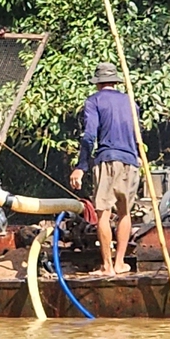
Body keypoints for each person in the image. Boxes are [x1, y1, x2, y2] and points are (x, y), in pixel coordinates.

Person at [69, 62, 141, 275]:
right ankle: (120, 262)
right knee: (124, 212)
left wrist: (81, 166)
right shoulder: (131, 102)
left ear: (98, 83)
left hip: (108, 159)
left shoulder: (94, 101)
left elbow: (90, 136)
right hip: (131, 161)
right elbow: (137, 135)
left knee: (103, 212)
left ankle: (107, 266)